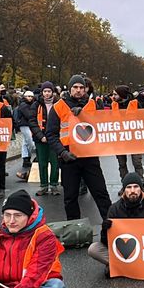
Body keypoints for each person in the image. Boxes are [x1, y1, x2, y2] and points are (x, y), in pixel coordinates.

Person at [46, 75, 112, 221]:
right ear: (70, 89)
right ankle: (75, 231)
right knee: (70, 197)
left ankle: (112, 227)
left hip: (90, 157)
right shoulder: (58, 107)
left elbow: (104, 126)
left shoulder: (93, 105)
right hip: (69, 159)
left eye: (81, 88)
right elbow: (51, 134)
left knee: (101, 193)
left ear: (86, 89)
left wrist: (84, 114)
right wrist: (62, 152)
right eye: (75, 87)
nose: (78, 90)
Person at [89, 172, 144, 265]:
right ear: (124, 190)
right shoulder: (115, 208)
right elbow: (106, 242)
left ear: (141, 189)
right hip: (125, 251)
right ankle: (121, 266)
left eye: (136, 186)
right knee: (94, 249)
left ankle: (124, 266)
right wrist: (105, 230)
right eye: (129, 187)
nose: (132, 190)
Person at [110, 85, 144, 181]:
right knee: (122, 164)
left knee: (137, 163)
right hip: (119, 139)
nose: (113, 96)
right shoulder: (113, 105)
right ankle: (125, 186)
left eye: (115, 94)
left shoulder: (136, 104)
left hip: (134, 139)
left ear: (121, 95)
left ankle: (141, 186)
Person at [31, 82, 61, 196]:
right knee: (42, 162)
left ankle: (54, 185)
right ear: (42, 92)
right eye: (45, 91)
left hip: (55, 137)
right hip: (41, 138)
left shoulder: (58, 103)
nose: (47, 93)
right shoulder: (36, 105)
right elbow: (32, 121)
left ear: (52, 92)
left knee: (55, 162)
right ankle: (43, 185)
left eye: (49, 91)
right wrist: (40, 136)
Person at [13, 89, 36, 182]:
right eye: (28, 96)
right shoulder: (23, 105)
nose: (30, 98)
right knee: (29, 141)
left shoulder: (31, 104)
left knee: (25, 142)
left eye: (31, 96)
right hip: (25, 124)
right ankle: (29, 156)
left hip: (29, 124)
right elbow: (28, 115)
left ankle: (26, 158)